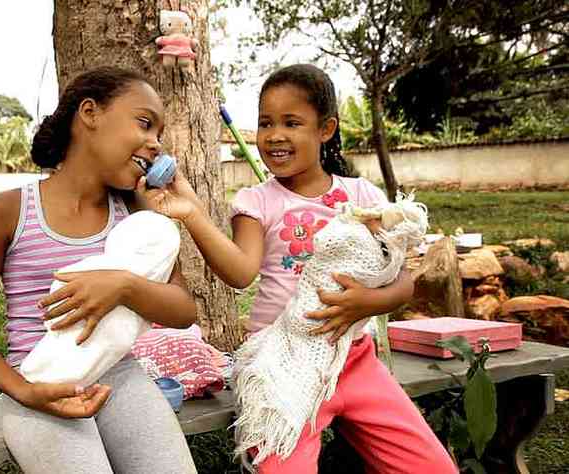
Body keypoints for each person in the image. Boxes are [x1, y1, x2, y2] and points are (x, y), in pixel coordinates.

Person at [143, 64, 457, 473]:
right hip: (280, 365)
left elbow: (401, 282)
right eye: (265, 123)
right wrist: (191, 213)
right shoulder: (257, 202)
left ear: (325, 129)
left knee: (434, 468)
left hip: (354, 360)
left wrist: (368, 302)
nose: (274, 135)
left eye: (292, 122)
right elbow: (240, 273)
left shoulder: (361, 196)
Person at [0, 66, 198, 474]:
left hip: (120, 377)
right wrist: (24, 392)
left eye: (159, 134)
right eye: (144, 123)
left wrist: (124, 287)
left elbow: (184, 310)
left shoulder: (135, 214)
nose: (155, 145)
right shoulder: (8, 211)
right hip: (39, 381)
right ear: (90, 113)